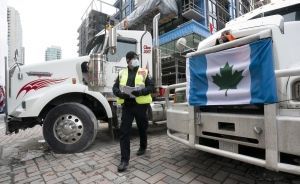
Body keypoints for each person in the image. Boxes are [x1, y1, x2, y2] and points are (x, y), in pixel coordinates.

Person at [113, 51, 154, 172]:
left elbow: (151, 87)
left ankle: (143, 146)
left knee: (142, 128)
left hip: (141, 105)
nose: (135, 60)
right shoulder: (121, 73)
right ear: (127, 60)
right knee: (124, 132)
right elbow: (115, 87)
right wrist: (119, 93)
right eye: (133, 58)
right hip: (127, 106)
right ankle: (124, 160)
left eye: (136, 58)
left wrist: (140, 92)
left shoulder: (144, 71)